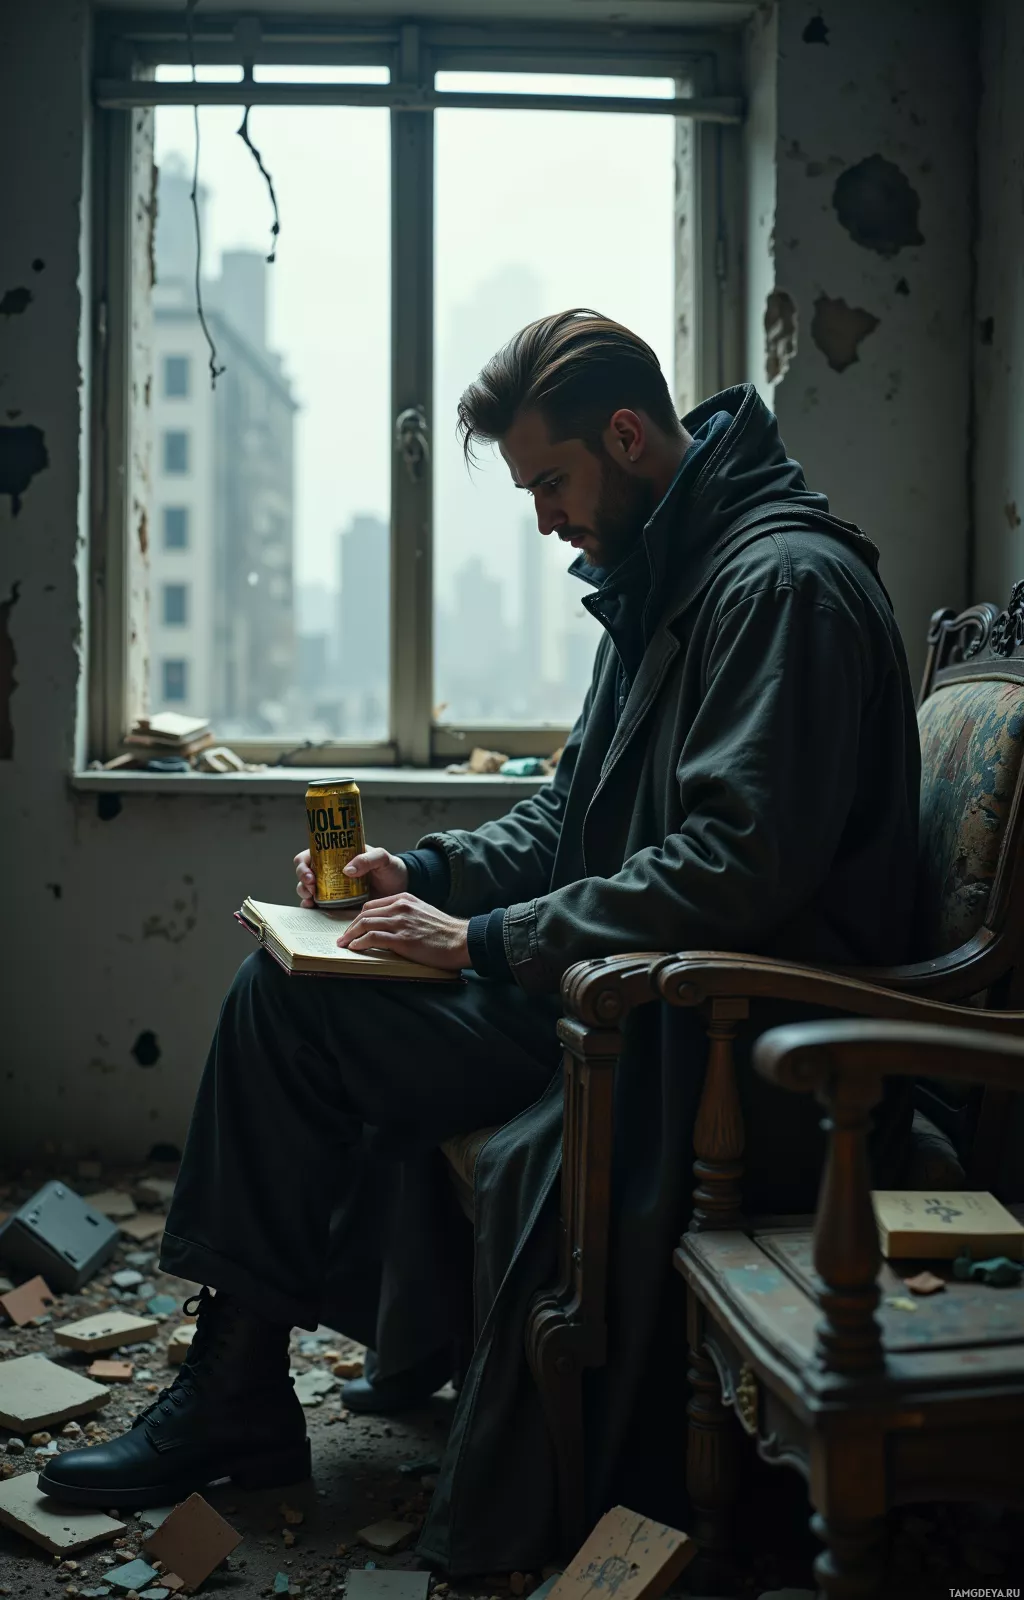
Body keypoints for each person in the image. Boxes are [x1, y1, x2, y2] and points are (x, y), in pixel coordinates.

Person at [41, 310, 921, 1571]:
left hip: (720, 1042)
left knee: (321, 999)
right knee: (285, 994)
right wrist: (432, 872)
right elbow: (577, 809)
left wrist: (490, 938)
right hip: (613, 993)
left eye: (550, 482)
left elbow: (737, 865)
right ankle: (236, 1387)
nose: (546, 519)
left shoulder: (777, 585)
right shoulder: (677, 570)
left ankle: (241, 1386)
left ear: (625, 437)